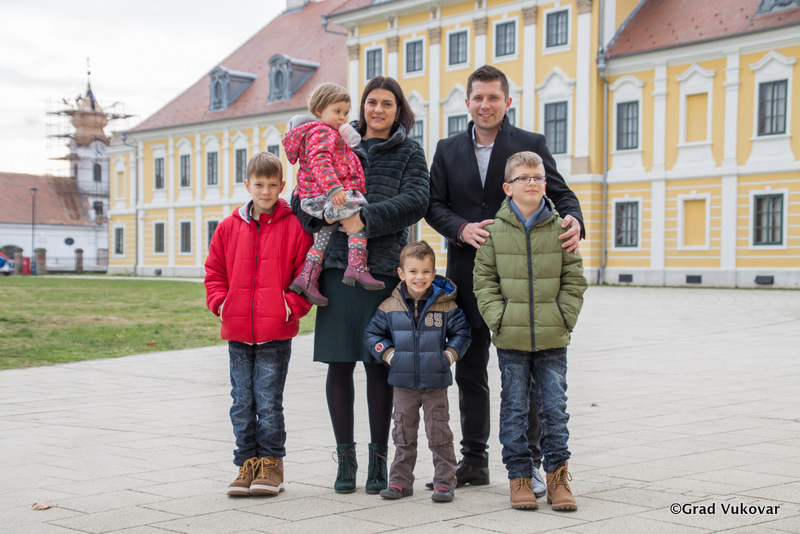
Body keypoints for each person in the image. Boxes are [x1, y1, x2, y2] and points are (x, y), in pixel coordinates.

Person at [425, 64, 584, 495]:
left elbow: (561, 193)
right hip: (467, 276)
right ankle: (474, 461)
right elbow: (433, 204)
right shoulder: (446, 149)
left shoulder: (530, 144)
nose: (485, 104)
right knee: (470, 373)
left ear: (507, 102)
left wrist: (574, 219)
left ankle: (530, 464)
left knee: (525, 377)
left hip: (523, 282)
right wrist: (460, 228)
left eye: (493, 97)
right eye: (478, 97)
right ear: (467, 102)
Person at [291, 76, 430, 495]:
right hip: (337, 267)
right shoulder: (333, 136)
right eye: (371, 102)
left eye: (387, 103)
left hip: (383, 269)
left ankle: (378, 459)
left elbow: (416, 200)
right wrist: (324, 215)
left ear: (398, 109)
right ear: (361, 107)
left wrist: (362, 220)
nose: (378, 109)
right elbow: (301, 192)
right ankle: (345, 458)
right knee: (339, 362)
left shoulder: (409, 150)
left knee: (378, 364)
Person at [474, 151, 587, 510]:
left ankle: (558, 479)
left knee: (555, 410)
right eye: (523, 177)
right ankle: (519, 477)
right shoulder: (493, 232)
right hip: (512, 340)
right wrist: (500, 319)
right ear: (508, 187)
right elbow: (484, 282)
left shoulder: (562, 228)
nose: (532, 183)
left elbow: (574, 279)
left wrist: (564, 317)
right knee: (515, 410)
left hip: (553, 338)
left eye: (538, 177)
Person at [204, 151, 313, 497]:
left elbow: (306, 277)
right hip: (238, 331)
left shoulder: (295, 226)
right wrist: (221, 303)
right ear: (247, 185)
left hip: (274, 333)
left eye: (271, 185)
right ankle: (246, 463)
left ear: (282, 186)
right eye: (259, 184)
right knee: (241, 401)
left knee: (267, 401)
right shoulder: (228, 227)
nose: (265, 191)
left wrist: (288, 307)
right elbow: (214, 272)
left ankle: (271, 464)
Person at [364, 241, 471, 503]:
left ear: (433, 274)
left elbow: (462, 332)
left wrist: (449, 355)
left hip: (435, 383)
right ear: (402, 274)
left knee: (439, 434)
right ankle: (400, 482)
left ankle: (444, 483)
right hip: (402, 384)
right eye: (413, 271)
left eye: (425, 272)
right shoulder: (389, 306)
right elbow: (372, 334)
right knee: (403, 434)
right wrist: (389, 354)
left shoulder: (446, 306)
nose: (419, 277)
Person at [283, 82, 384, 306]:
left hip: (320, 195)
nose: (342, 118)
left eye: (345, 113)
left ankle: (307, 278)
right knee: (358, 214)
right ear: (319, 110)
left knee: (326, 232)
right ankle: (357, 267)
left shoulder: (329, 132)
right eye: (337, 111)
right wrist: (334, 188)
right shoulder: (321, 132)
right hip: (324, 195)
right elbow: (319, 161)